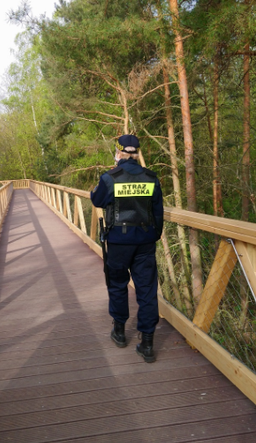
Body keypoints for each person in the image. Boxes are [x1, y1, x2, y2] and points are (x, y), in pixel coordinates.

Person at [90, 134, 164, 363]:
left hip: (119, 243)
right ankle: (148, 344)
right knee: (147, 291)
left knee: (117, 285)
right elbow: (158, 212)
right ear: (137, 152)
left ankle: (120, 332)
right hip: (145, 242)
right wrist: (154, 236)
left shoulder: (110, 178)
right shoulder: (151, 178)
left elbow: (97, 200)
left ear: (119, 152)